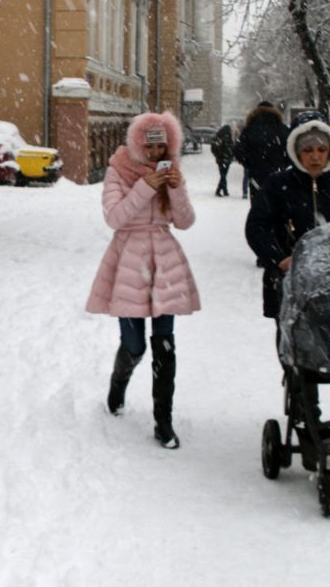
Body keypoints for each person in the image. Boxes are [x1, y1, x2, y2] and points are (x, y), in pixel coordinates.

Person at [245, 111, 330, 419]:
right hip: (290, 282)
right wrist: (278, 258)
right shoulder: (278, 187)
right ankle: (304, 402)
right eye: (308, 150)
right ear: (296, 152)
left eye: (321, 150)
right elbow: (256, 227)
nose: (315, 157)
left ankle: (324, 378)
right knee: (294, 343)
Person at [86, 111, 201, 449]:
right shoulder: (119, 169)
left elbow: (186, 222)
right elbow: (115, 217)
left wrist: (176, 189)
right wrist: (143, 187)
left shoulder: (171, 171)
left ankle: (163, 422)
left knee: (164, 345)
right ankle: (118, 385)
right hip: (128, 260)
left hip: (164, 260)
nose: (155, 155)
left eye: (162, 148)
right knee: (135, 344)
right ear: (138, 144)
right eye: (150, 147)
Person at [233, 101, 290, 203]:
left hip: (256, 176)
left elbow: (238, 151)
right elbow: (291, 151)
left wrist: (249, 163)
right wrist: (282, 165)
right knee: (279, 209)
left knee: (258, 209)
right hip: (279, 175)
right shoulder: (282, 129)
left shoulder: (249, 129)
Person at [210, 123, 235, 196]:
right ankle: (220, 190)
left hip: (220, 159)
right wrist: (231, 156)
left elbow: (213, 148)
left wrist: (217, 155)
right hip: (226, 159)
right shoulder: (228, 137)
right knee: (223, 175)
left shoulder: (218, 136)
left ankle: (224, 190)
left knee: (223, 175)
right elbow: (231, 148)